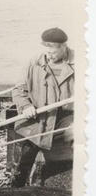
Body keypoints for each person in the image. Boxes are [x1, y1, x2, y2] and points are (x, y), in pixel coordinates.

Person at [11, 28, 74, 187]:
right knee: (23, 157)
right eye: (45, 47)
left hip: (66, 118)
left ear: (64, 46)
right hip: (38, 118)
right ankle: (15, 189)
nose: (48, 53)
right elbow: (19, 90)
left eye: (52, 49)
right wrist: (25, 106)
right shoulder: (33, 62)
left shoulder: (82, 63)